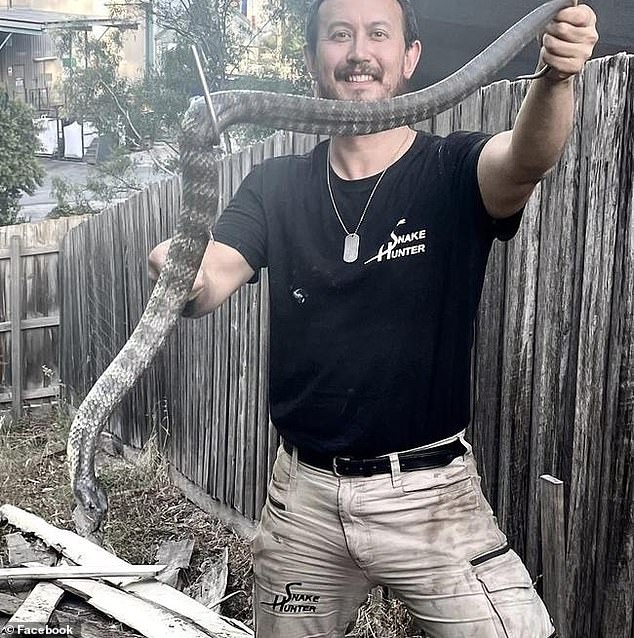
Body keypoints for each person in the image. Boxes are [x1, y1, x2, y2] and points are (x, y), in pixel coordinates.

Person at [149, 0, 598, 635]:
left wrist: (555, 79)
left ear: (409, 58)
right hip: (303, 504)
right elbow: (209, 278)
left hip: (431, 500)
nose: (359, 51)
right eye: (339, 35)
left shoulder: (452, 171)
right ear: (312, 61)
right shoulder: (274, 186)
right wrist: (180, 270)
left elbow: (527, 158)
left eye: (378, 34)